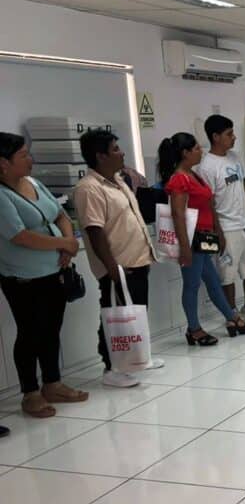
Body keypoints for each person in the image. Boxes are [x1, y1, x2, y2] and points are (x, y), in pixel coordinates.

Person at [0, 132, 88, 423]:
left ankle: (53, 383)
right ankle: (30, 392)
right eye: (23, 155)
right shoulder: (1, 196)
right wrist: (64, 244)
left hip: (54, 270)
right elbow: (20, 236)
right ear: (3, 163)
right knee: (30, 333)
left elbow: (60, 213)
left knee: (52, 328)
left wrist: (67, 241)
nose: (30, 159)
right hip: (23, 278)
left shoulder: (34, 183)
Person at [74, 128, 162, 389]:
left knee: (136, 312)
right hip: (119, 265)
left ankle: (137, 358)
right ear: (100, 156)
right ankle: (111, 367)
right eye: (115, 149)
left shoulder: (117, 180)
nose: (121, 152)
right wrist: (112, 268)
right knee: (114, 314)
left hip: (137, 258)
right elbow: (94, 230)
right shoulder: (89, 189)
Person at [158, 133, 245, 347]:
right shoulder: (179, 179)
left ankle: (231, 316)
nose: (200, 151)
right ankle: (194, 329)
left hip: (204, 238)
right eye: (195, 149)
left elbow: (208, 205)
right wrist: (184, 248)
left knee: (212, 281)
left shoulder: (193, 175)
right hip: (192, 241)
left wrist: (217, 231)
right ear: (185, 153)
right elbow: (178, 215)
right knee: (192, 285)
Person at [196, 115, 245, 321]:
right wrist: (218, 232)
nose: (234, 137)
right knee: (227, 273)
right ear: (215, 137)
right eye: (229, 134)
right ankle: (231, 313)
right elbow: (209, 201)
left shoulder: (234, 158)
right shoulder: (207, 166)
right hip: (226, 227)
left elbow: (244, 186)